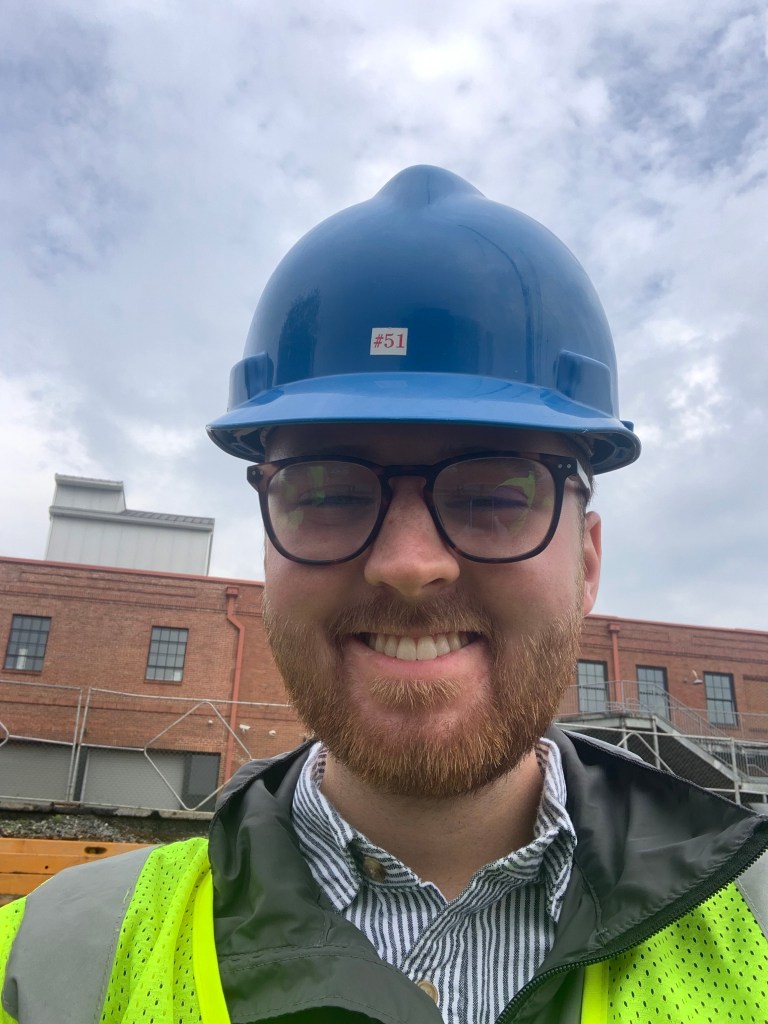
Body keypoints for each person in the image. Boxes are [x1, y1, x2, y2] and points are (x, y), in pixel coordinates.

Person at [1, 165, 767, 1024]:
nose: (409, 563)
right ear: (266, 549)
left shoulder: (757, 939)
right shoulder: (49, 974)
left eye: (494, 493)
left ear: (587, 561)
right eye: (328, 492)